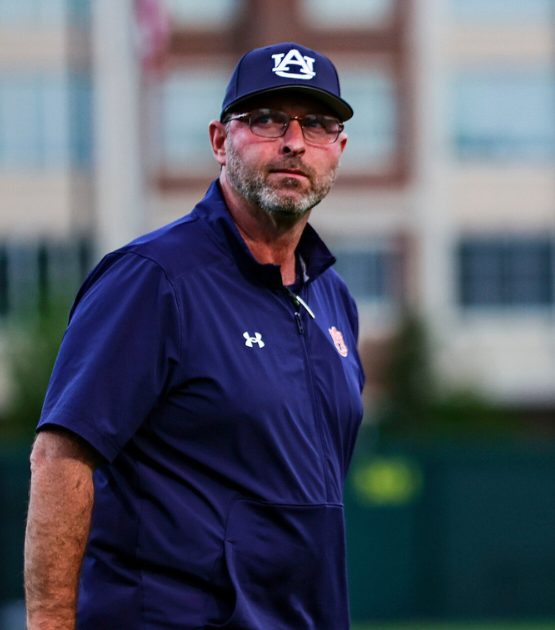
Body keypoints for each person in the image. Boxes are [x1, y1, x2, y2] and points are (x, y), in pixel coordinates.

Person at [23, 42, 364, 630]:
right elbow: (59, 459)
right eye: (265, 120)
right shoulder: (154, 279)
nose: (293, 141)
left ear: (338, 148)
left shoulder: (333, 299)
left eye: (317, 124)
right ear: (218, 140)